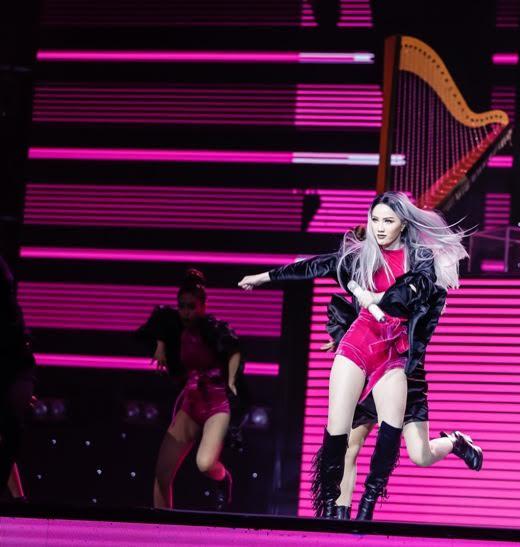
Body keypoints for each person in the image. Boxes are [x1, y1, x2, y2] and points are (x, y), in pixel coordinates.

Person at [238, 192, 467, 520]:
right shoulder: (361, 256)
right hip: (359, 344)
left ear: (403, 224)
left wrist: (379, 297)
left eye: (388, 221)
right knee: (339, 433)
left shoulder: (420, 258)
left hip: (395, 354)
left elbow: (414, 290)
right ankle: (332, 510)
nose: (380, 227)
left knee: (392, 437)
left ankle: (367, 508)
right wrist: (264, 277)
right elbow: (315, 265)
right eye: (375, 220)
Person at [322, 291, 483, 519]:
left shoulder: (422, 284)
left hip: (405, 375)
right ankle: (341, 520)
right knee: (349, 447)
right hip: (370, 368)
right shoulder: (372, 276)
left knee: (421, 455)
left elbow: (421, 326)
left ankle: (455, 442)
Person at [137, 269, 244, 510]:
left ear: (203, 306)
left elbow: (234, 350)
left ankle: (223, 477)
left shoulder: (214, 329)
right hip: (192, 401)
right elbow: (159, 323)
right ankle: (162, 529)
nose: (186, 312)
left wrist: (232, 380)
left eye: (192, 307)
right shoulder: (174, 327)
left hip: (217, 402)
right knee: (162, 473)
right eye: (182, 306)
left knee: (204, 463)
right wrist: (161, 346)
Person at [0, 256, 35, 501]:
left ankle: (18, 501)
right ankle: (18, 500)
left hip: (13, 368)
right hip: (14, 369)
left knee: (8, 430)